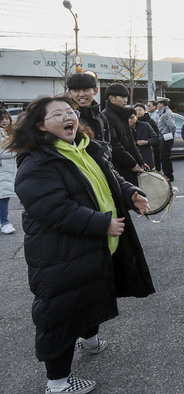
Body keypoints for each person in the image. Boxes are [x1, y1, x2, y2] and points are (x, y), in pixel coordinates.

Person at [6, 95, 155, 394]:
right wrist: (102, 224)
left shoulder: (86, 148)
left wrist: (130, 195)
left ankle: (89, 339)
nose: (67, 117)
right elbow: (54, 209)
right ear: (40, 126)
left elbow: (109, 179)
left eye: (70, 112)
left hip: (94, 245)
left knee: (92, 293)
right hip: (60, 253)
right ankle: (58, 383)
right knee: (61, 312)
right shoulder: (37, 160)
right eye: (57, 114)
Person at [102, 84, 148, 185]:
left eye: (126, 97)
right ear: (111, 98)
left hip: (130, 166)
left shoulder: (123, 114)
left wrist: (140, 161)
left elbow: (131, 142)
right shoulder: (106, 116)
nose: (125, 100)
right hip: (119, 168)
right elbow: (114, 145)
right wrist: (132, 163)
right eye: (122, 97)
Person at [66, 73, 112, 142]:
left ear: (95, 91)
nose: (81, 94)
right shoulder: (66, 118)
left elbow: (107, 144)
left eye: (86, 90)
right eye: (76, 90)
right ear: (70, 93)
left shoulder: (101, 117)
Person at [0, 109, 17, 234]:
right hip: (2, 169)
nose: (5, 121)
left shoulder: (11, 133)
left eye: (6, 118)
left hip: (7, 170)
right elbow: (3, 152)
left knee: (4, 197)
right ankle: (5, 222)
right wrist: (16, 150)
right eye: (2, 118)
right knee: (3, 197)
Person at [134, 103, 161, 171]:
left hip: (148, 150)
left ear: (145, 111)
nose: (138, 112)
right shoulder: (131, 122)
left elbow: (155, 137)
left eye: (140, 110)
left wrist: (147, 142)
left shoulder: (149, 122)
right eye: (136, 110)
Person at [156, 97, 176, 181]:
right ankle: (167, 174)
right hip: (164, 136)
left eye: (158, 103)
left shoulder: (166, 113)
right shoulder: (163, 112)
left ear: (162, 104)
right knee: (164, 156)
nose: (157, 105)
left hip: (166, 137)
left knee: (165, 157)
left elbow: (172, 126)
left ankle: (168, 175)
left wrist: (171, 136)